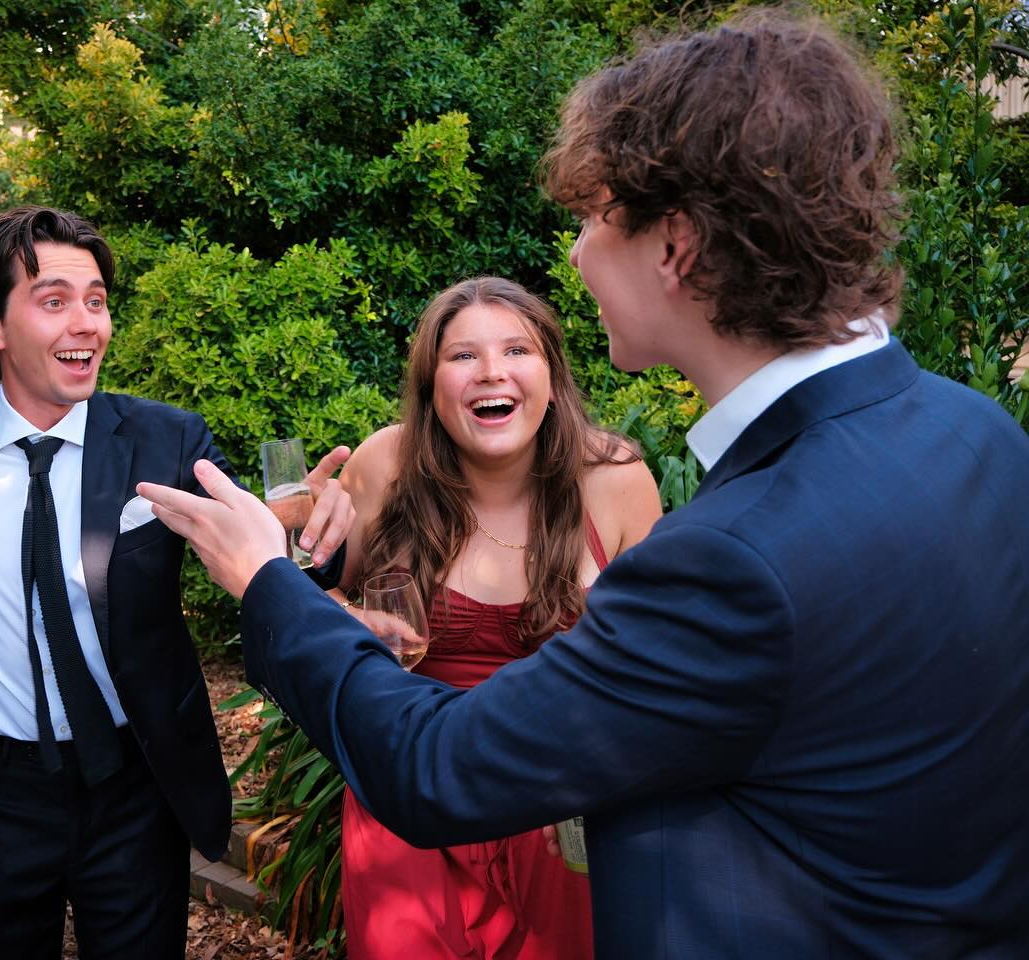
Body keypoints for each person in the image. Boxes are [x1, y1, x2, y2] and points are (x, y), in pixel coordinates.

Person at [137, 17, 1029, 957]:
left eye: (590, 219)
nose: (572, 257)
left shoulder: (729, 558)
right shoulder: (978, 432)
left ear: (674, 245)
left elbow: (435, 769)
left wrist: (266, 579)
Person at [0, 205, 354, 959]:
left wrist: (315, 536)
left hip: (133, 789)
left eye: (96, 301)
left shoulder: (165, 438)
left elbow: (261, 543)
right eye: (54, 302)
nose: (87, 324)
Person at [330, 277, 659, 958]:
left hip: (556, 810)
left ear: (551, 373)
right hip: (409, 795)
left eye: (517, 349)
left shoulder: (617, 478)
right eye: (462, 356)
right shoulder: (384, 465)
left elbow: (654, 665)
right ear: (430, 383)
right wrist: (343, 617)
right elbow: (320, 608)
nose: (492, 373)